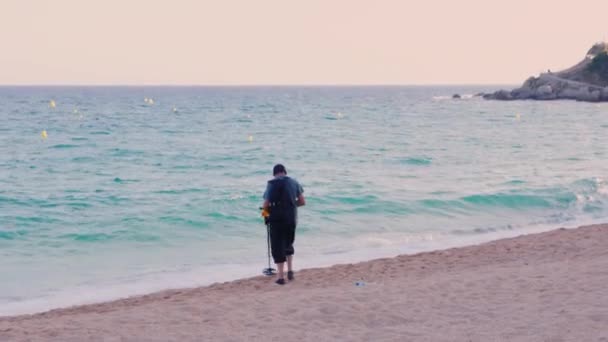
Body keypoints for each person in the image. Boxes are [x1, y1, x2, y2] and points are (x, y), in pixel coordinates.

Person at [262, 164, 305, 285]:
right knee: (288, 243)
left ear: (274, 173)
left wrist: (265, 216)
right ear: (285, 172)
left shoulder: (271, 184)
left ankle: (281, 277)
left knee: (277, 246)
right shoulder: (294, 182)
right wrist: (290, 205)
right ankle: (290, 271)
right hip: (291, 218)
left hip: (276, 219)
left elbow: (265, 205)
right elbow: (302, 201)